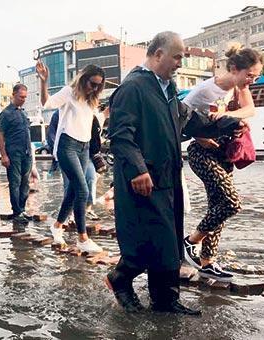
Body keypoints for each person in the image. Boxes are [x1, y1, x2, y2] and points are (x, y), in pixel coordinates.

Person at [105, 31, 245, 315]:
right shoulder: (133, 88)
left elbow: (190, 120)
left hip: (167, 178)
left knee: (168, 242)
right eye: (177, 56)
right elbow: (120, 136)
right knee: (144, 241)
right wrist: (137, 169)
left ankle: (165, 300)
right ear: (158, 54)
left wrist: (226, 124)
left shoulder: (166, 89)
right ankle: (119, 280)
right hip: (142, 181)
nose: (180, 63)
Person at [182, 44, 263, 282]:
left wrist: (231, 117)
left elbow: (250, 110)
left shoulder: (239, 88)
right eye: (249, 75)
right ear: (234, 69)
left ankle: (207, 263)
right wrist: (200, 137)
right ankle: (190, 241)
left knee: (217, 208)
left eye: (256, 77)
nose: (252, 81)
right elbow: (180, 120)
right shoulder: (204, 91)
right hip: (202, 153)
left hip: (225, 154)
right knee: (231, 203)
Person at [37, 61, 106, 253]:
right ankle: (83, 237)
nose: (94, 88)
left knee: (74, 191)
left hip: (84, 147)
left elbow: (93, 123)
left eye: (98, 86)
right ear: (83, 79)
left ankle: (57, 225)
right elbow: (46, 104)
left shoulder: (91, 100)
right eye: (92, 83)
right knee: (83, 190)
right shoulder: (69, 92)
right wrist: (43, 81)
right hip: (67, 146)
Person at [0, 84, 33, 223]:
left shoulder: (23, 112)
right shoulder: (5, 114)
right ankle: (16, 211)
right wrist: (3, 155)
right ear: (13, 95)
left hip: (27, 153)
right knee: (15, 182)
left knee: (25, 183)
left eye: (25, 97)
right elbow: (0, 135)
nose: (23, 99)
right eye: (21, 97)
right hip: (13, 153)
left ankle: (22, 209)